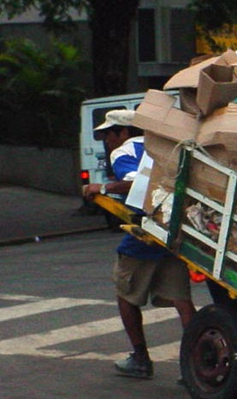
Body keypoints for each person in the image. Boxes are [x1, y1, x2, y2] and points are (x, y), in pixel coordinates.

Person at [83, 109, 195, 379]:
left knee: (125, 293)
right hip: (177, 231)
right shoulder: (168, 147)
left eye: (108, 134)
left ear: (123, 133)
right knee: (182, 300)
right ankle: (194, 363)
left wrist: (104, 188)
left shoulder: (125, 151)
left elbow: (139, 184)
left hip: (148, 231)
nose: (107, 141)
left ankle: (140, 357)